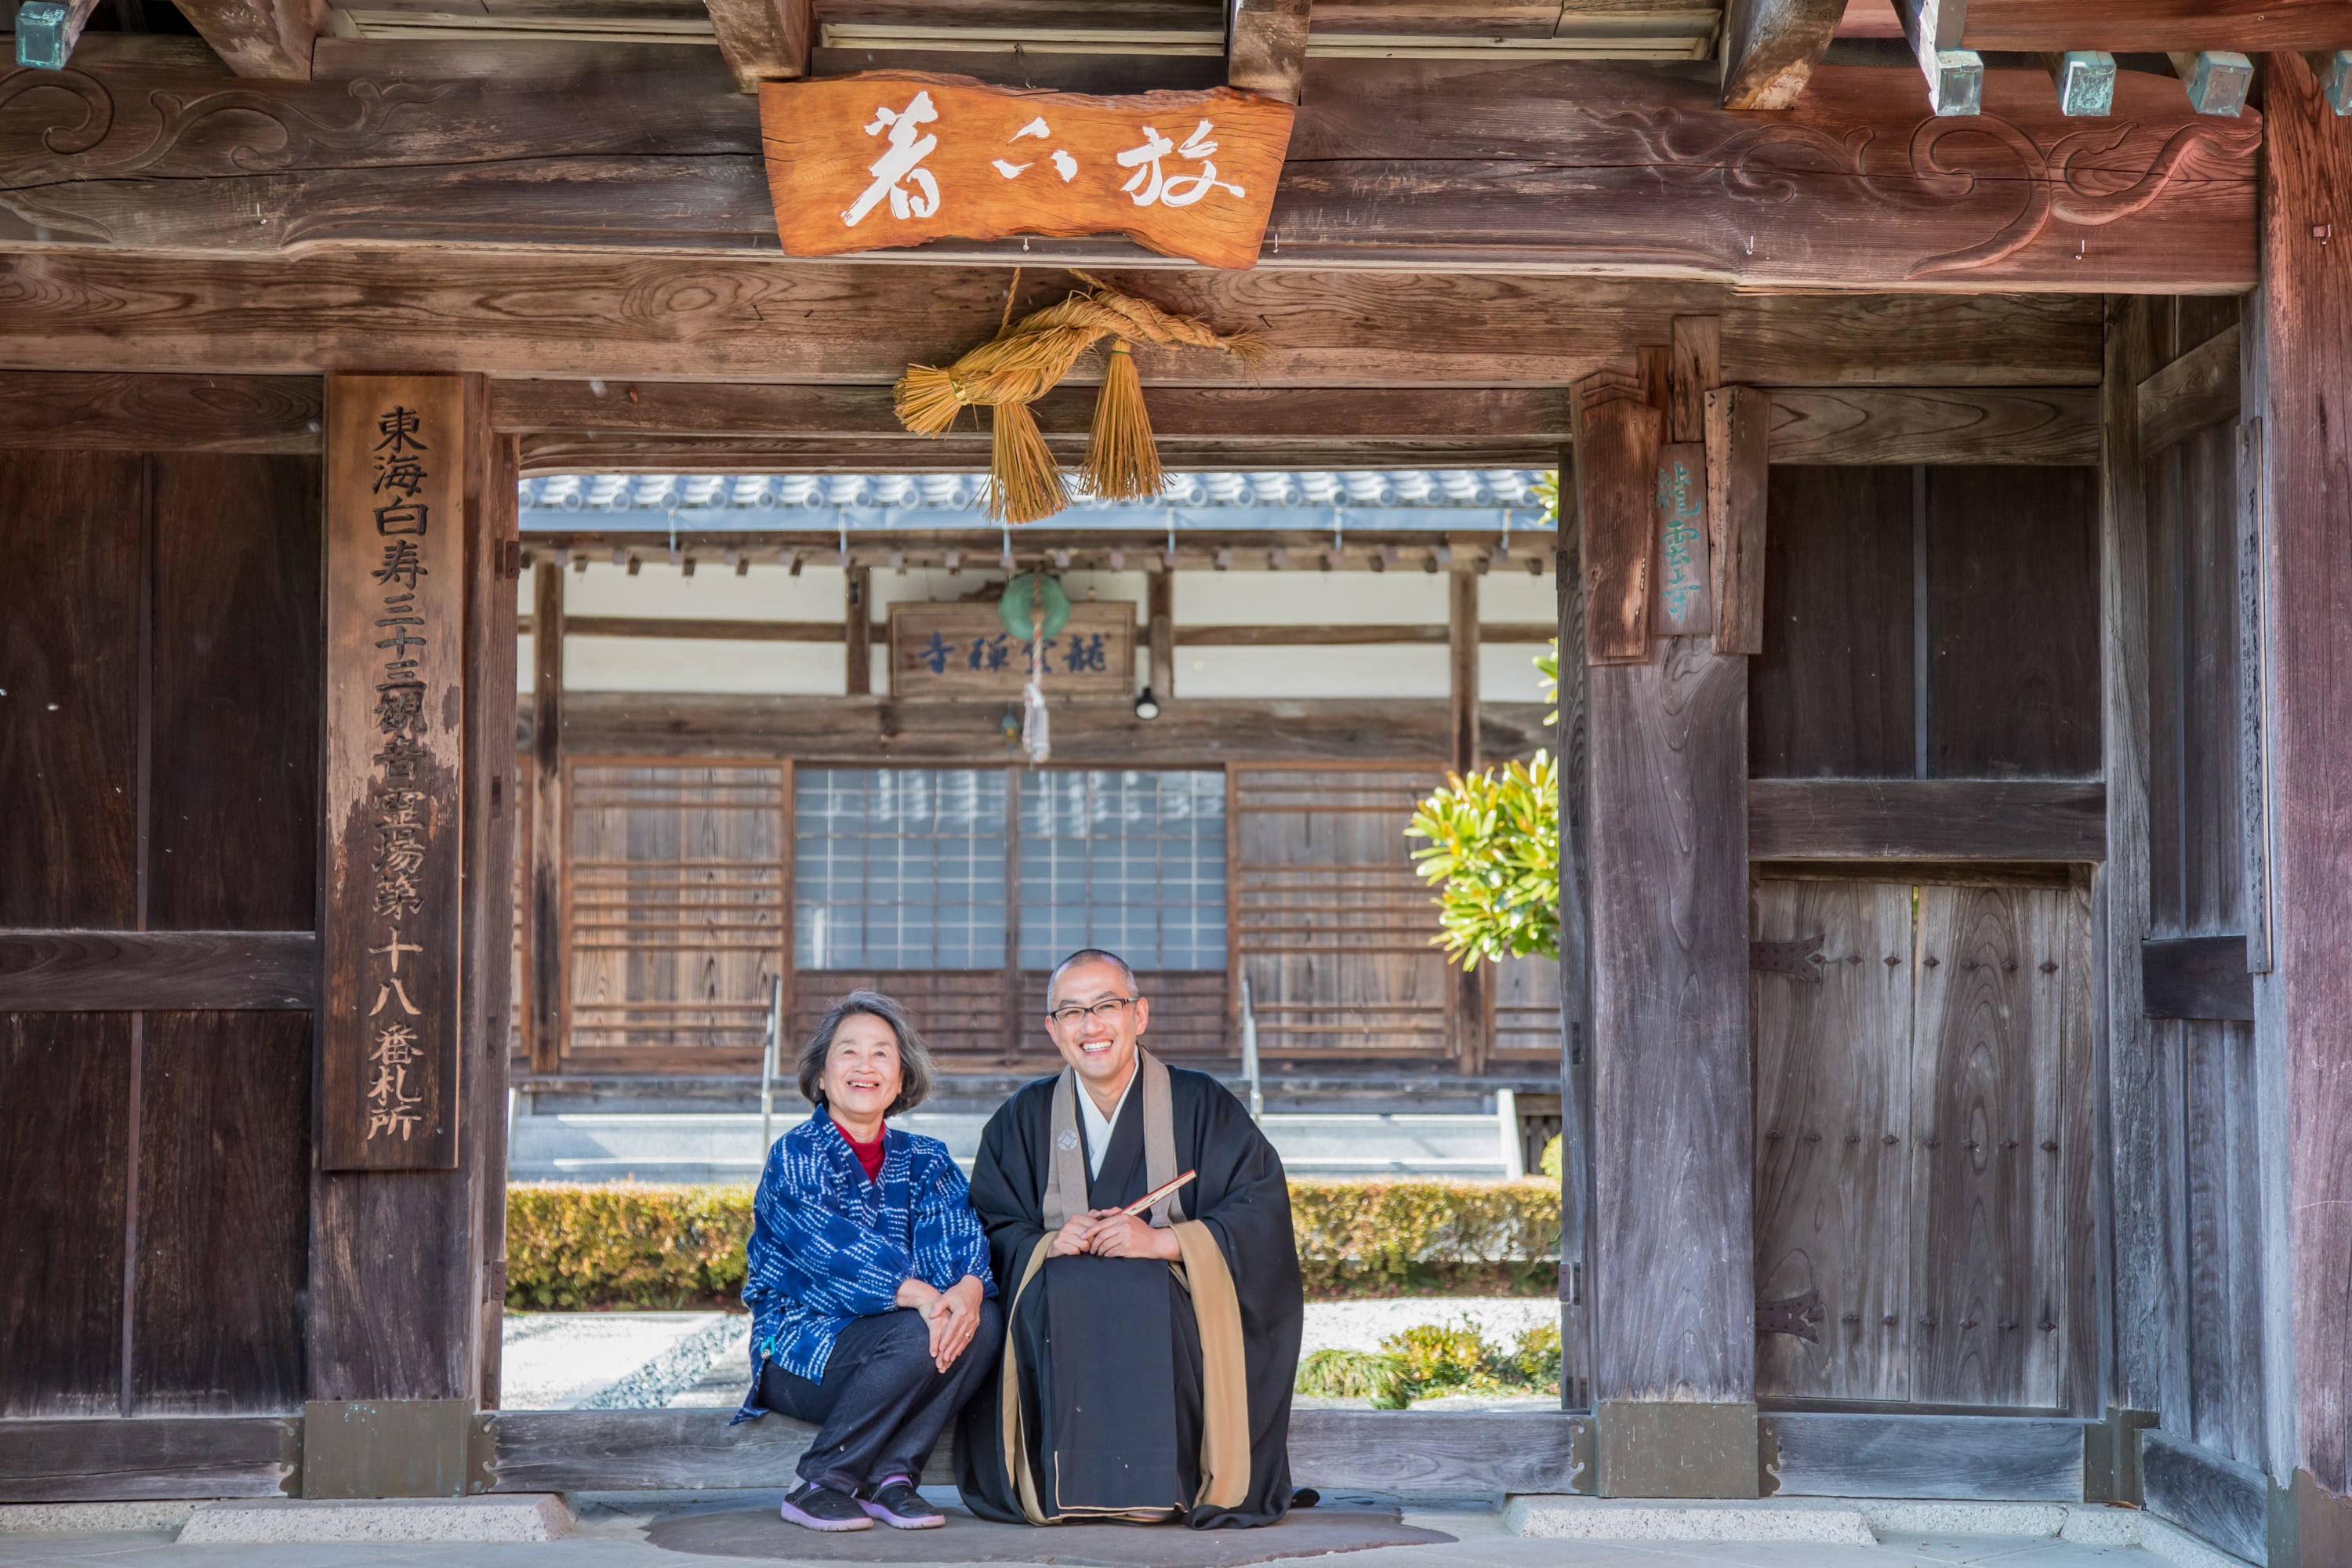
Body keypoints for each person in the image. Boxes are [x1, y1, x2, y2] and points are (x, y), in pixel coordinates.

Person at [956, 949, 1304, 1529]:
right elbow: (986, 1227)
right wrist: (1046, 1244)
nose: (1091, 1026)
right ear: (1052, 1029)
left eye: (1107, 1006)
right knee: (1060, 1295)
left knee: (1150, 1297)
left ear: (1139, 1015)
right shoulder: (1020, 1119)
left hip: (1175, 1318)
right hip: (1054, 1317)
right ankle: (1058, 1487)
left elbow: (1260, 1211)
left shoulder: (1203, 1106)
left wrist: (1169, 1244)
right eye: (1072, 1012)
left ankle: (1169, 1485)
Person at [733, 990, 1001, 1533]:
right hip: (801, 1357)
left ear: (901, 1080)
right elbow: (827, 1253)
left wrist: (969, 1288)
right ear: (823, 1077)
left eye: (882, 1053)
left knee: (984, 1322)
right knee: (914, 1326)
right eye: (848, 1052)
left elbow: (957, 1242)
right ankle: (821, 1480)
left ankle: (892, 1479)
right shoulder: (796, 1154)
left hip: (903, 1347)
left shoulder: (927, 1160)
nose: (865, 1065)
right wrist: (923, 1295)